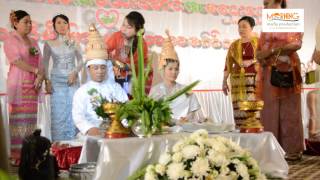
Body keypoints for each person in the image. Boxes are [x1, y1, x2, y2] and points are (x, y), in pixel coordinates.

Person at [257, 0, 304, 160]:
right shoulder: (268, 20)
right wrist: (261, 56)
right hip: (269, 70)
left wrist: (271, 51)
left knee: (288, 110)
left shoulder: (289, 17)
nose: (265, 6)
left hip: (287, 68)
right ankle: (272, 148)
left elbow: (296, 44)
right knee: (269, 110)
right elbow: (261, 45)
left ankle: (292, 150)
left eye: (267, 3)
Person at [3, 10, 44, 166]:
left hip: (33, 85)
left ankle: (29, 153)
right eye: (25, 22)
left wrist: (40, 76)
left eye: (30, 22)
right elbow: (16, 61)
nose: (29, 25)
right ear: (15, 23)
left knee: (30, 121)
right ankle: (17, 155)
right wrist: (34, 71)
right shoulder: (10, 40)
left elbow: (40, 62)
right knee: (19, 121)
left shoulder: (33, 42)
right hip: (18, 84)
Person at [72, 24, 128, 136]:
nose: (99, 71)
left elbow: (126, 108)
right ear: (89, 69)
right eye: (95, 68)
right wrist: (89, 129)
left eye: (102, 67)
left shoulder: (115, 87)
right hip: (92, 132)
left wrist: (125, 126)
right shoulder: (82, 91)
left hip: (116, 131)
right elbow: (78, 115)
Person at [43, 14, 83, 141]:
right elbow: (44, 63)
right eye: (59, 23)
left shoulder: (73, 43)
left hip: (72, 80)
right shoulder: (49, 43)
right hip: (57, 81)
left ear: (69, 25)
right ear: (54, 26)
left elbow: (81, 61)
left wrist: (75, 72)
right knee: (59, 112)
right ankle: (59, 144)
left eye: (65, 22)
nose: (62, 25)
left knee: (74, 109)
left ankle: (74, 143)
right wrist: (47, 81)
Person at [149, 31, 203, 124]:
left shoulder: (185, 90)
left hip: (184, 130)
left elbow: (192, 111)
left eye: (176, 69)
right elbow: (152, 113)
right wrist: (174, 122)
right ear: (163, 69)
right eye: (170, 69)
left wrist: (186, 119)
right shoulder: (155, 90)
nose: (174, 72)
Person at [222, 16, 261, 128]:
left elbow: (266, 58)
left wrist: (252, 61)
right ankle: (241, 134)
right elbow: (227, 64)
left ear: (252, 27)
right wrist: (224, 82)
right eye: (239, 27)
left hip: (254, 80)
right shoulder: (234, 45)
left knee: (253, 110)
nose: (241, 29)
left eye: (244, 26)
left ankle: (254, 135)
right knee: (239, 111)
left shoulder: (259, 43)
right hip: (237, 82)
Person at [106, 11, 153, 94]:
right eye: (123, 25)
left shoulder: (141, 45)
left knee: (126, 98)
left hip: (134, 78)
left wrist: (111, 60)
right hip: (118, 74)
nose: (123, 29)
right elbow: (105, 50)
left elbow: (127, 67)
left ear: (137, 30)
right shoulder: (118, 36)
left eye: (128, 27)